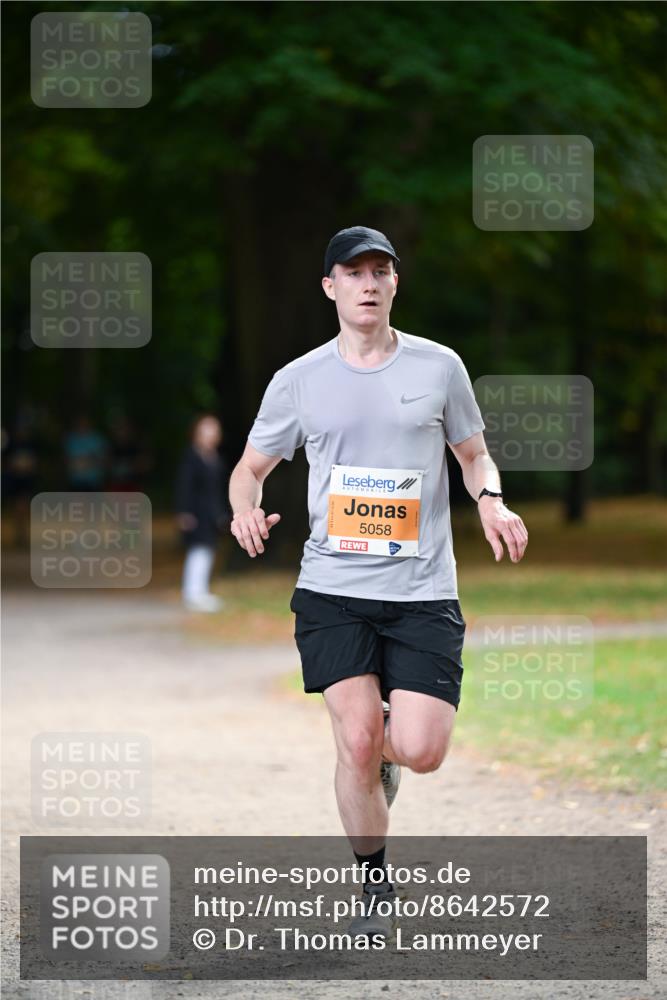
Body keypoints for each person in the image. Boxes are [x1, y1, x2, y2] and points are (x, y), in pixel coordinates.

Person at [228, 225, 528, 938]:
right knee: (358, 741)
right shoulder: (298, 379)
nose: (368, 283)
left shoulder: (439, 367)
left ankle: (383, 758)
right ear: (329, 286)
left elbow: (474, 455)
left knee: (420, 750)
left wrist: (490, 499)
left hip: (423, 590)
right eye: (353, 272)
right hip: (332, 589)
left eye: (380, 271)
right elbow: (249, 469)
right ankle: (373, 883)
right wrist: (243, 510)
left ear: (395, 284)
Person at [175, 414, 230, 612]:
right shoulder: (191, 457)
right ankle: (193, 593)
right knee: (198, 551)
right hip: (195, 513)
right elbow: (184, 486)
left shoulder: (215, 457)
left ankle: (200, 591)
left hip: (211, 514)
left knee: (208, 551)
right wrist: (183, 512)